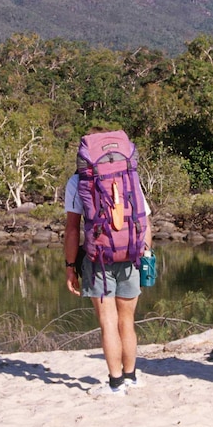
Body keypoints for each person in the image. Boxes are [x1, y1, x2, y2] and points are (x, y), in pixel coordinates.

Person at [64, 129, 153, 397]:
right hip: (130, 255)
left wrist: (70, 267)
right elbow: (144, 220)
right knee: (128, 320)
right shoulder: (129, 175)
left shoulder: (78, 180)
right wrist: (145, 254)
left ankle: (115, 383)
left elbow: (72, 229)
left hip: (98, 259)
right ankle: (131, 377)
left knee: (108, 321)